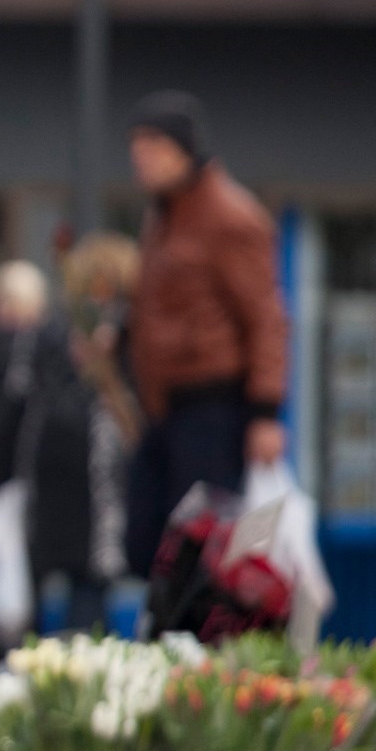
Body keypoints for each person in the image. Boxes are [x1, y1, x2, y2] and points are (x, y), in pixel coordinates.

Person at [122, 91, 288, 576]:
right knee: (145, 543)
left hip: (212, 410)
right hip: (161, 408)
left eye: (152, 147)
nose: (141, 160)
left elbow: (266, 317)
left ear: (185, 150)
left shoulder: (230, 216)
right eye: (136, 148)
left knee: (200, 549)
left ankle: (198, 647)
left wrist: (265, 414)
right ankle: (163, 643)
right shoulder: (163, 214)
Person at [0, 261, 122, 632]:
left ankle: (42, 667)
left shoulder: (25, 347)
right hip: (86, 488)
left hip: (42, 485)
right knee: (88, 585)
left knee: (37, 587)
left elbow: (7, 410)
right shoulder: (79, 356)